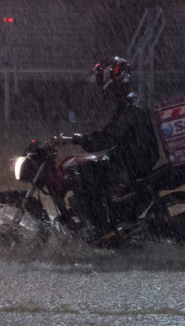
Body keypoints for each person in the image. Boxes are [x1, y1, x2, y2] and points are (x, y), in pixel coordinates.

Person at [54, 56, 160, 232]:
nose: (100, 86)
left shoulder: (131, 106)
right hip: (131, 156)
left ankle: (102, 228)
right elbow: (110, 133)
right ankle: (99, 220)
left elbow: (109, 137)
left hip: (134, 161)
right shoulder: (128, 103)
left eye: (101, 80)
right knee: (87, 167)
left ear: (112, 81)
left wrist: (78, 139)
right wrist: (78, 139)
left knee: (84, 174)